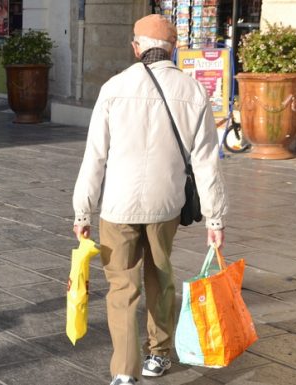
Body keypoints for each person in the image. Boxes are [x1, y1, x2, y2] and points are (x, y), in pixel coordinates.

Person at [71, 15, 227, 385]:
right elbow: (207, 160)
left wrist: (83, 210)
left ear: (136, 47)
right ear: (173, 48)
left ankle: (124, 373)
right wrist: (215, 220)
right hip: (165, 205)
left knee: (122, 288)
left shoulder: (113, 87)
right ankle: (158, 354)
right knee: (160, 276)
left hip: (117, 207)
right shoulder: (193, 90)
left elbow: (95, 156)